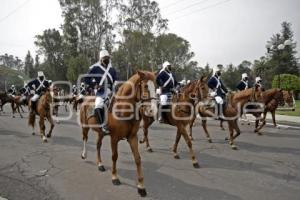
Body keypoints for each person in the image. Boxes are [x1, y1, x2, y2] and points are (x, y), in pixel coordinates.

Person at [85, 49, 117, 135]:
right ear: (101, 59)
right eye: (105, 58)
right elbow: (86, 78)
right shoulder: (95, 68)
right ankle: (103, 126)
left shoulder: (112, 70)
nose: (107, 59)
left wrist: (114, 90)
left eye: (108, 58)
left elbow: (115, 81)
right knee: (98, 105)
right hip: (101, 91)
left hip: (111, 91)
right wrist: (94, 84)